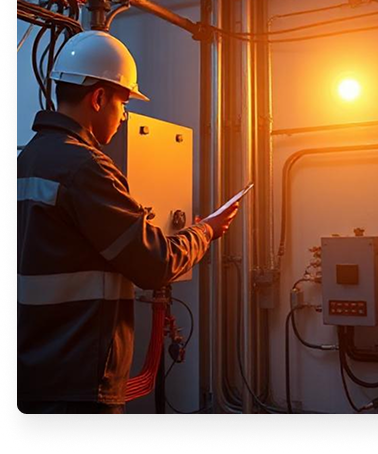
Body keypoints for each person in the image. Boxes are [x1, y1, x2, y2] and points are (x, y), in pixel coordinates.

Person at [16, 30, 239, 414]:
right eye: (123, 103)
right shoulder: (86, 168)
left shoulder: (27, 159)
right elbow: (156, 264)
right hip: (79, 379)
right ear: (98, 98)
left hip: (34, 373)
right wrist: (206, 230)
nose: (123, 117)